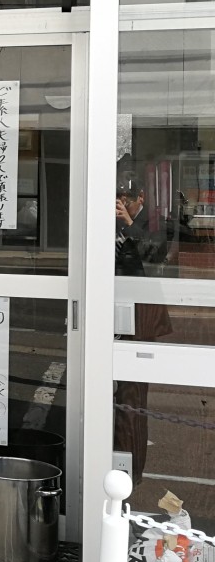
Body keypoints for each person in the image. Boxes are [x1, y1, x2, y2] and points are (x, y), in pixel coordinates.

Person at [113, 168, 175, 485]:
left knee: (132, 397)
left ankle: (131, 472)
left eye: (128, 198)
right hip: (113, 311)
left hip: (142, 315)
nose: (121, 202)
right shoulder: (110, 218)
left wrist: (128, 223)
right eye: (118, 196)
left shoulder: (156, 223)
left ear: (142, 197)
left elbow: (156, 259)